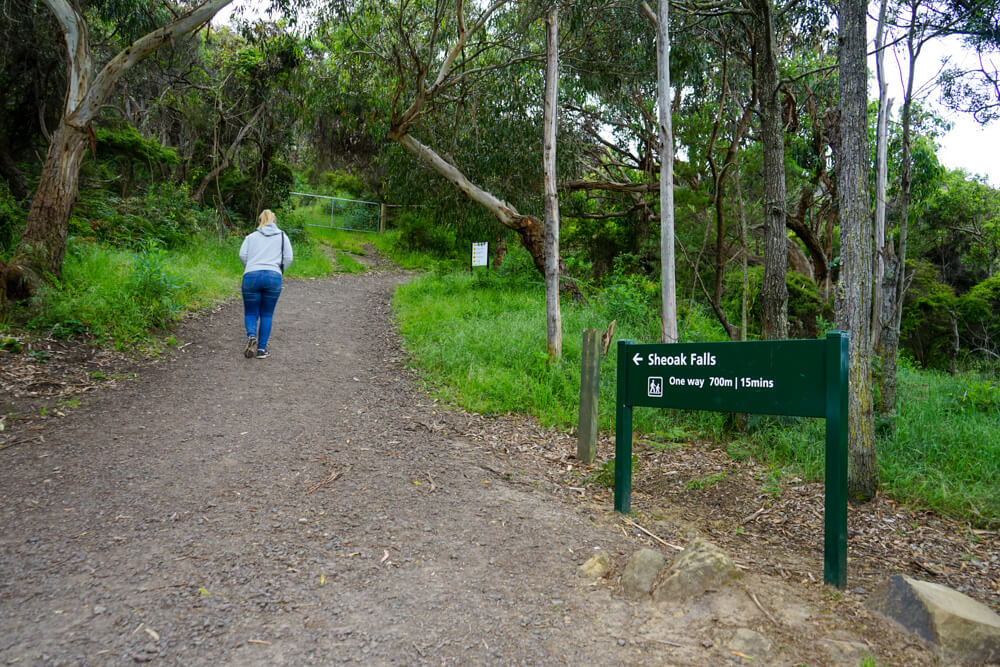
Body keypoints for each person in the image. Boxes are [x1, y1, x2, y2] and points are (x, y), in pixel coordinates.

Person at [239, 209, 293, 359]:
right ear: (274, 222)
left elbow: (242, 254)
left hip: (251, 276)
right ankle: (262, 350)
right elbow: (288, 257)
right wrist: (279, 271)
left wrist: (249, 267)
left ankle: (251, 336)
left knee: (250, 312)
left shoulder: (251, 237)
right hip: (273, 276)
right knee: (267, 314)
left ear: (260, 221)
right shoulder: (282, 236)